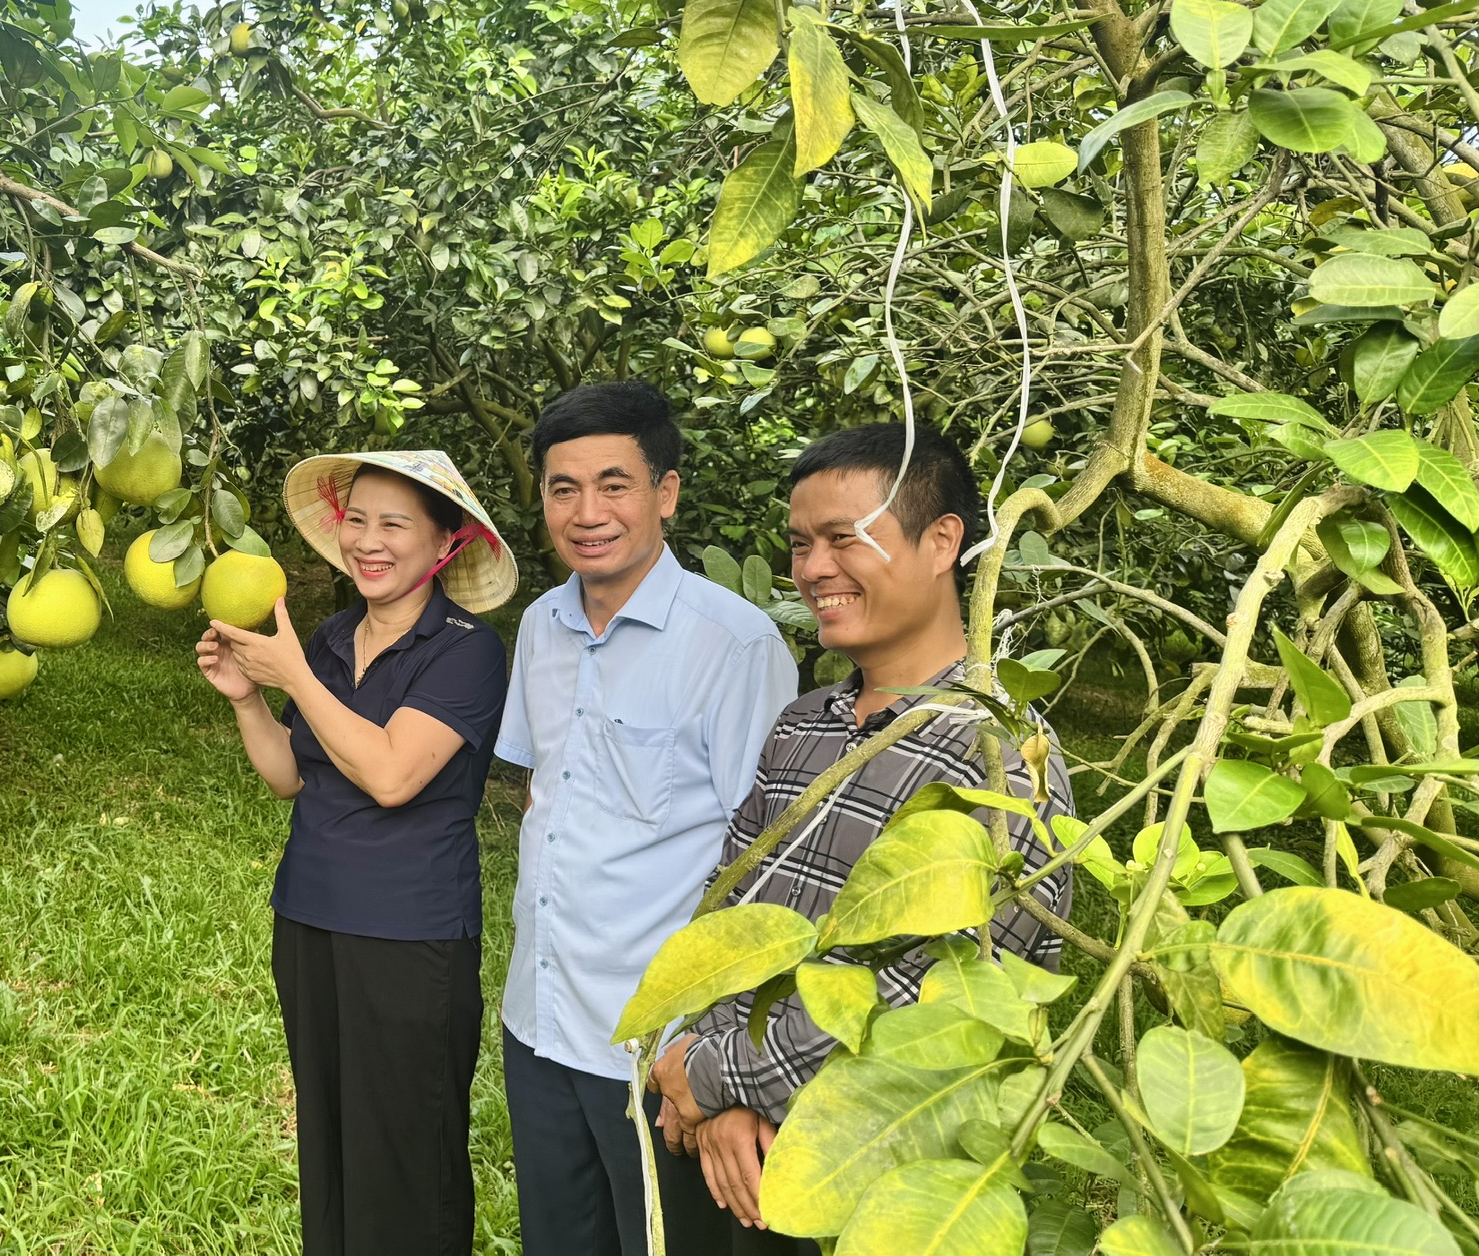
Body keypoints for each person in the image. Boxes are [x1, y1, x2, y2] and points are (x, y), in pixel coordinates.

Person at [650, 422, 1075, 1250]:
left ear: (942, 541)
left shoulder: (1001, 759)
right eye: (802, 544)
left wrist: (713, 1077)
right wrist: (707, 1073)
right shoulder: (805, 725)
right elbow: (723, 911)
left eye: (845, 539)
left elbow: (941, 1006)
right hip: (726, 1155)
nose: (812, 569)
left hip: (872, 1184)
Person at [493, 381, 799, 1255]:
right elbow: (543, 792)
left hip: (655, 1045)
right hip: (540, 1018)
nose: (588, 512)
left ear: (665, 492)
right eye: (563, 488)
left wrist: (716, 1047)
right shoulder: (542, 629)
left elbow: (768, 862)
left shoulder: (733, 646)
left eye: (615, 484)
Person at [197, 450, 515, 1256]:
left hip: (410, 935)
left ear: (445, 543)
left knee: (405, 1152)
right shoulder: (335, 636)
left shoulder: (465, 650)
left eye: (395, 524)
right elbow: (288, 777)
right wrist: (248, 699)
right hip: (309, 917)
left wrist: (295, 676)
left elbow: (392, 774)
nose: (369, 541)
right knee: (331, 1139)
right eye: (358, 521)